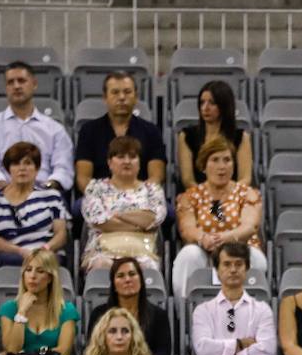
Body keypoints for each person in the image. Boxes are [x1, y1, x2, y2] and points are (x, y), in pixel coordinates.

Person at [173, 137, 267, 297]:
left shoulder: (247, 193)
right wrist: (203, 238)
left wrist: (224, 238)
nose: (222, 166)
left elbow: (249, 227)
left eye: (227, 160)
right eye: (215, 160)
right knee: (188, 255)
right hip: (205, 250)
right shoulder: (191, 196)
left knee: (257, 258)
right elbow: (187, 228)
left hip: (239, 248)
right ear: (204, 166)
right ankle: (184, 309)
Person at [188, 241, 277, 355]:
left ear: (247, 268)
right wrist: (240, 344)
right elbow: (203, 349)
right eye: (227, 264)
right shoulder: (203, 310)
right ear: (217, 270)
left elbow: (268, 349)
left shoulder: (262, 309)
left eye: (238, 264)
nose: (233, 270)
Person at [0, 61, 74, 195]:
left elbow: (63, 168)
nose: (16, 86)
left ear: (34, 84)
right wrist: (11, 192)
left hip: (45, 196)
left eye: (21, 81)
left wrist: (44, 189)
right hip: (4, 196)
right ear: (6, 88)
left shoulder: (55, 129)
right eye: (10, 82)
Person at [0, 247, 78, 355]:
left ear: (50, 277)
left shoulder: (66, 310)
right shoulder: (10, 309)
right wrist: (22, 312)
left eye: (40, 271)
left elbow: (63, 353)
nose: (32, 276)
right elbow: (13, 349)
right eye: (28, 270)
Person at [80, 136, 167, 274]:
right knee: (101, 265)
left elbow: (152, 219)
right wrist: (139, 222)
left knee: (147, 267)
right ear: (109, 162)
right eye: (120, 157)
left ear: (139, 162)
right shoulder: (95, 188)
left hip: (144, 252)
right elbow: (100, 222)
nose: (127, 161)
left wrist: (119, 215)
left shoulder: (152, 189)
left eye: (132, 157)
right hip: (102, 252)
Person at [0, 141, 70, 271]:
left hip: (45, 253)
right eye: (16, 164)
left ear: (37, 168)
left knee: (46, 260)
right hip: (8, 255)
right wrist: (20, 251)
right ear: (8, 169)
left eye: (28, 163)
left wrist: (44, 249)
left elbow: (61, 234)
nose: (22, 168)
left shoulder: (52, 196)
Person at [74, 71, 166, 195]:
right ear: (105, 97)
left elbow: (156, 177)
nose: (122, 97)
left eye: (127, 92)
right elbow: (83, 178)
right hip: (99, 198)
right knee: (78, 207)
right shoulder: (89, 131)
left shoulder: (151, 131)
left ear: (136, 96)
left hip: (141, 197)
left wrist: (134, 198)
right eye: (115, 92)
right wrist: (107, 199)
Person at [88, 256, 174, 355]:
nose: (127, 279)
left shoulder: (158, 315)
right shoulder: (99, 314)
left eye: (132, 274)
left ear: (141, 280)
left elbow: (163, 353)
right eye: (121, 276)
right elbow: (93, 350)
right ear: (114, 284)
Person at [177, 79, 252, 189]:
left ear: (223, 106)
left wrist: (227, 197)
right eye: (202, 102)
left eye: (212, 103)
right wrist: (208, 197)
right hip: (199, 198)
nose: (205, 108)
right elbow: (188, 179)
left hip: (232, 198)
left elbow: (245, 178)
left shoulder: (241, 137)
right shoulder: (187, 136)